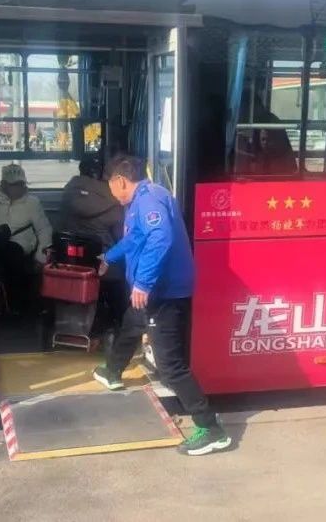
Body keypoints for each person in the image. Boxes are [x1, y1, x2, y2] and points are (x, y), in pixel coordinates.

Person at [93, 154, 231, 456]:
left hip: (164, 293)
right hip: (156, 291)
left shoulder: (149, 199)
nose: (111, 193)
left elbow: (160, 238)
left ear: (120, 181)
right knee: (133, 322)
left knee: (170, 367)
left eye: (110, 186)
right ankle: (112, 370)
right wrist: (109, 258)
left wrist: (143, 283)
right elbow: (135, 239)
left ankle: (210, 428)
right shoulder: (141, 201)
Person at [0, 164, 52, 309]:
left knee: (12, 255)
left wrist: (40, 257)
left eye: (21, 184)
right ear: (3, 184)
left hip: (20, 245)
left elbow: (44, 230)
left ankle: (15, 307)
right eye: (14, 184)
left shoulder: (32, 203)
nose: (19, 188)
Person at [59, 155, 123, 249]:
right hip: (102, 250)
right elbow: (121, 237)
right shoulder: (116, 197)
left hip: (69, 248)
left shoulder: (69, 190)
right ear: (98, 174)